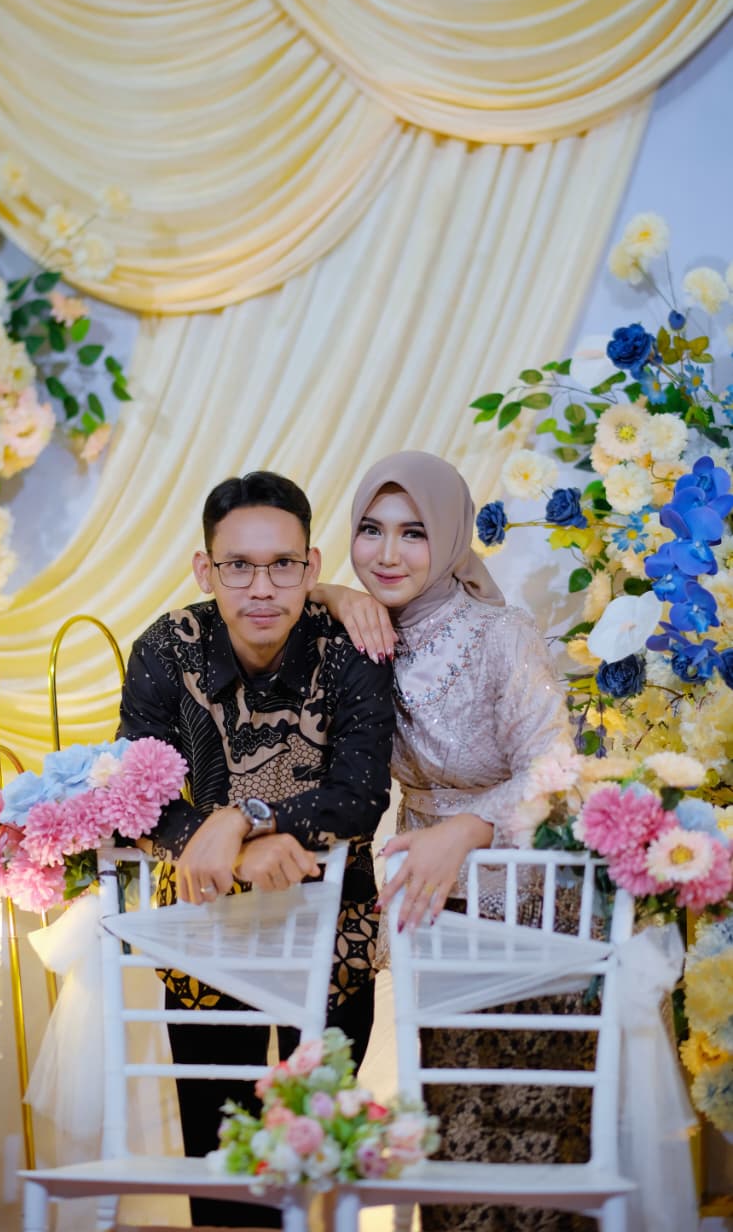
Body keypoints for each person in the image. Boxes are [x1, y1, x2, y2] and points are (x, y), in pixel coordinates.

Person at [314, 450, 595, 1232]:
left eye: (413, 532)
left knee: (527, 1127)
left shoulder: (498, 634)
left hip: (527, 902)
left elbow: (555, 767)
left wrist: (467, 829)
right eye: (370, 530)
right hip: (432, 909)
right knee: (445, 1124)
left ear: (447, 536)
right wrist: (332, 592)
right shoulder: (353, 635)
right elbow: (259, 589)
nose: (387, 554)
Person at [117, 469, 395, 1228]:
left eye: (282, 565)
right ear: (204, 569)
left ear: (311, 567)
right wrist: (233, 854)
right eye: (237, 565)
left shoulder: (350, 649)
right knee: (222, 1174)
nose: (261, 587)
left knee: (318, 1164)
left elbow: (360, 797)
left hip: (333, 936)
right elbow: (135, 797)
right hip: (205, 935)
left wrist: (243, 818)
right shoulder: (165, 649)